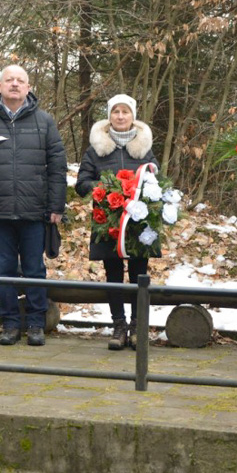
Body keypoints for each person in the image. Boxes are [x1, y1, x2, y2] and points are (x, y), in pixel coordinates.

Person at [0, 65, 67, 346]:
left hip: (35, 210)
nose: (14, 84)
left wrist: (56, 206)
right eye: (9, 80)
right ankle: (10, 323)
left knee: (35, 268)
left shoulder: (45, 122)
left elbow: (57, 167)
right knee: (4, 269)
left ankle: (36, 322)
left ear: (28, 87)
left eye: (20, 81)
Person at [75, 95, 158, 351]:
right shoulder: (95, 149)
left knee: (139, 274)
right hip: (108, 220)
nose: (120, 116)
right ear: (109, 116)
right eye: (116, 112)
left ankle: (136, 326)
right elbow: (81, 184)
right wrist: (106, 187)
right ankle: (118, 326)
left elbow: (156, 177)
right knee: (113, 274)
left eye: (125, 112)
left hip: (138, 222)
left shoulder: (144, 147)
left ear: (133, 116)